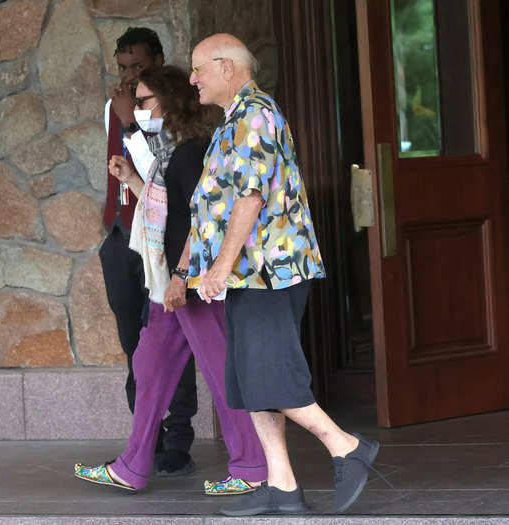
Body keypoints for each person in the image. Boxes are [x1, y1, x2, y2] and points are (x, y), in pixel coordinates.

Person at [186, 33, 380, 516]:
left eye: (198, 69)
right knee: (253, 382)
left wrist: (221, 268)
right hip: (248, 276)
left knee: (270, 376)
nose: (192, 79)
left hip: (268, 272)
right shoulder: (235, 120)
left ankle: (346, 447)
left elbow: (249, 197)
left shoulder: (254, 115)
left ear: (226, 67)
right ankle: (283, 485)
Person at [75, 65, 268, 495]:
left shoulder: (190, 151)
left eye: (145, 102)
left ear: (168, 102)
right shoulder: (172, 152)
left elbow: (201, 221)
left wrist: (183, 277)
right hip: (172, 285)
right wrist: (132, 181)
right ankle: (134, 464)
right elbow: (169, 210)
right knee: (149, 365)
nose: (138, 109)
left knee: (219, 371)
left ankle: (252, 466)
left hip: (188, 284)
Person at [99, 27, 197, 476]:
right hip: (123, 234)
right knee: (135, 343)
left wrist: (134, 121)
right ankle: (144, 442)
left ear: (158, 61)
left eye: (138, 66)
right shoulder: (115, 108)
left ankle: (178, 436)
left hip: (164, 243)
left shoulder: (169, 116)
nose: (128, 76)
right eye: (122, 68)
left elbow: (160, 167)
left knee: (173, 337)